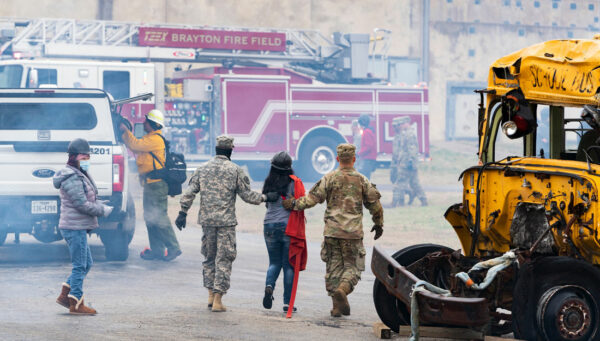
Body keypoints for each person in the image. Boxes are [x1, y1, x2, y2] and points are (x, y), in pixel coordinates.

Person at [175, 135, 279, 312]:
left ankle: (209, 295)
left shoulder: (202, 169)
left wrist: (182, 212)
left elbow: (189, 192)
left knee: (209, 258)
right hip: (226, 223)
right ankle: (217, 300)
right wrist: (266, 197)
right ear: (230, 150)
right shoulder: (235, 170)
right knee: (224, 259)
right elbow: (247, 196)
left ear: (216, 149)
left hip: (207, 222)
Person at [282, 143, 384, 317]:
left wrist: (293, 204)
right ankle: (343, 290)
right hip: (352, 234)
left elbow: (311, 199)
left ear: (337, 159)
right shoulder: (361, 180)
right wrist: (378, 223)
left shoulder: (328, 178)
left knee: (333, 269)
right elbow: (375, 205)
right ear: (353, 159)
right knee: (353, 268)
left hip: (332, 232)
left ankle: (336, 306)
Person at [53, 138, 113, 315]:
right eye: (84, 156)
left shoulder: (80, 174)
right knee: (80, 265)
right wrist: (102, 210)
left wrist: (100, 203)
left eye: (88, 156)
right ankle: (76, 303)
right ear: (74, 157)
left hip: (77, 225)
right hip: (74, 227)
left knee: (87, 263)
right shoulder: (71, 177)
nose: (87, 159)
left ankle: (65, 295)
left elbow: (87, 199)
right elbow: (82, 205)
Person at [119, 109, 182, 261]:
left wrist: (125, 130)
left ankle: (173, 248)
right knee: (150, 218)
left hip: (156, 185)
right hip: (151, 184)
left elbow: (134, 145)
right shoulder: (151, 138)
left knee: (159, 217)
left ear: (153, 124)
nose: (144, 123)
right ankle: (157, 251)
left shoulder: (155, 140)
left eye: (147, 121)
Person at [261, 151, 301, 313]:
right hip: (287, 227)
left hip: (269, 225)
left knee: (274, 263)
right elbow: (299, 204)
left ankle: (269, 286)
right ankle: (287, 303)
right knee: (288, 265)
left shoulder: (268, 182)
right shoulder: (294, 183)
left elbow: (266, 204)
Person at [391, 116, 427, 207]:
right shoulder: (406, 133)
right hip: (408, 162)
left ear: (404, 123)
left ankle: (394, 202)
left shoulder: (409, 134)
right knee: (414, 183)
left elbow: (412, 149)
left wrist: (410, 162)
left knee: (400, 182)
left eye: (400, 125)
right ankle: (424, 200)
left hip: (407, 163)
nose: (399, 127)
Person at [356, 114, 377, 179]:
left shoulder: (366, 132)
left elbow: (368, 146)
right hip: (370, 159)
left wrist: (359, 153)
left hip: (367, 159)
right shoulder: (369, 131)